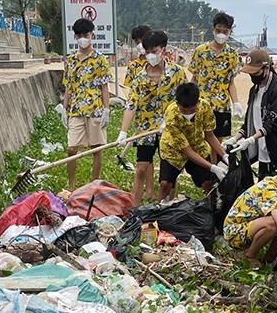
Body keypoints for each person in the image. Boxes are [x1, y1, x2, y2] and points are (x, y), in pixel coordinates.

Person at [118, 30, 186, 205]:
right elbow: (131, 105)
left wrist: (173, 119)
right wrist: (123, 132)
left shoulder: (177, 73)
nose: (150, 56)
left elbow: (185, 99)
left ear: (163, 49)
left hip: (170, 130)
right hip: (145, 129)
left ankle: (168, 205)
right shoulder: (140, 78)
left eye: (154, 51)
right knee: (141, 168)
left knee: (169, 175)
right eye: (147, 52)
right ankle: (134, 208)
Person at [225, 48, 277, 179]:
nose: (252, 76)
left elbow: (273, 123)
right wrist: (235, 138)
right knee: (263, 185)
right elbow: (250, 122)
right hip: (263, 149)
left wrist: (251, 139)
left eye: (255, 72)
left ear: (266, 69)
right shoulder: (254, 90)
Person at [61, 18, 111, 190]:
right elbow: (68, 86)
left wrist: (106, 109)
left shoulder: (100, 60)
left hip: (95, 110)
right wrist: (64, 108)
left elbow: (104, 86)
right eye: (80, 35)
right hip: (76, 110)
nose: (83, 38)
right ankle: (71, 185)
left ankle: (93, 185)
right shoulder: (71, 60)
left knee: (96, 149)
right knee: (71, 149)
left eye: (86, 35)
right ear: (75, 37)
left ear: (92, 35)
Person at [158, 82, 229, 200]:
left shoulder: (205, 107)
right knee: (165, 184)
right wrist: (213, 167)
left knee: (208, 183)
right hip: (173, 151)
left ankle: (211, 210)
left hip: (198, 146)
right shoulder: (171, 115)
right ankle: (157, 211)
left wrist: (224, 155)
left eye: (192, 110)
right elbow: (187, 151)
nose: (189, 114)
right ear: (177, 104)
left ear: (198, 102)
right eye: (184, 111)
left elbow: (209, 135)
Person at [189, 12, 242, 146]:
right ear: (213, 29)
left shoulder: (232, 54)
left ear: (230, 32)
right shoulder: (200, 51)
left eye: (225, 31)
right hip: (201, 104)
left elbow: (230, 82)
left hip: (222, 106)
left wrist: (236, 103)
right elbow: (194, 78)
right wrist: (188, 98)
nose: (221, 34)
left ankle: (216, 165)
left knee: (218, 142)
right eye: (218, 30)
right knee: (199, 140)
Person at [123, 24, 151, 90]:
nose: (140, 45)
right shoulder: (133, 66)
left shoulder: (162, 63)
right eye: (137, 43)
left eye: (143, 41)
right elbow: (127, 88)